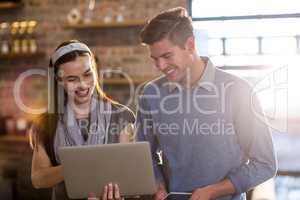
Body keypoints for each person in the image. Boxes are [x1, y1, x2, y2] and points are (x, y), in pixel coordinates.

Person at [136, 7, 277, 200]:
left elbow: (265, 164)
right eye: (155, 59)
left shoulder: (239, 91)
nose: (160, 66)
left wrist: (213, 191)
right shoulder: (151, 94)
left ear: (190, 44)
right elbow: (143, 155)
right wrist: (158, 184)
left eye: (167, 56)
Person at [30, 40, 135, 200]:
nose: (83, 85)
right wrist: (75, 166)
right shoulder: (46, 123)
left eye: (87, 74)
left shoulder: (121, 115)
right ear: (59, 81)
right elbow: (38, 178)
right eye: (72, 79)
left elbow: (129, 173)